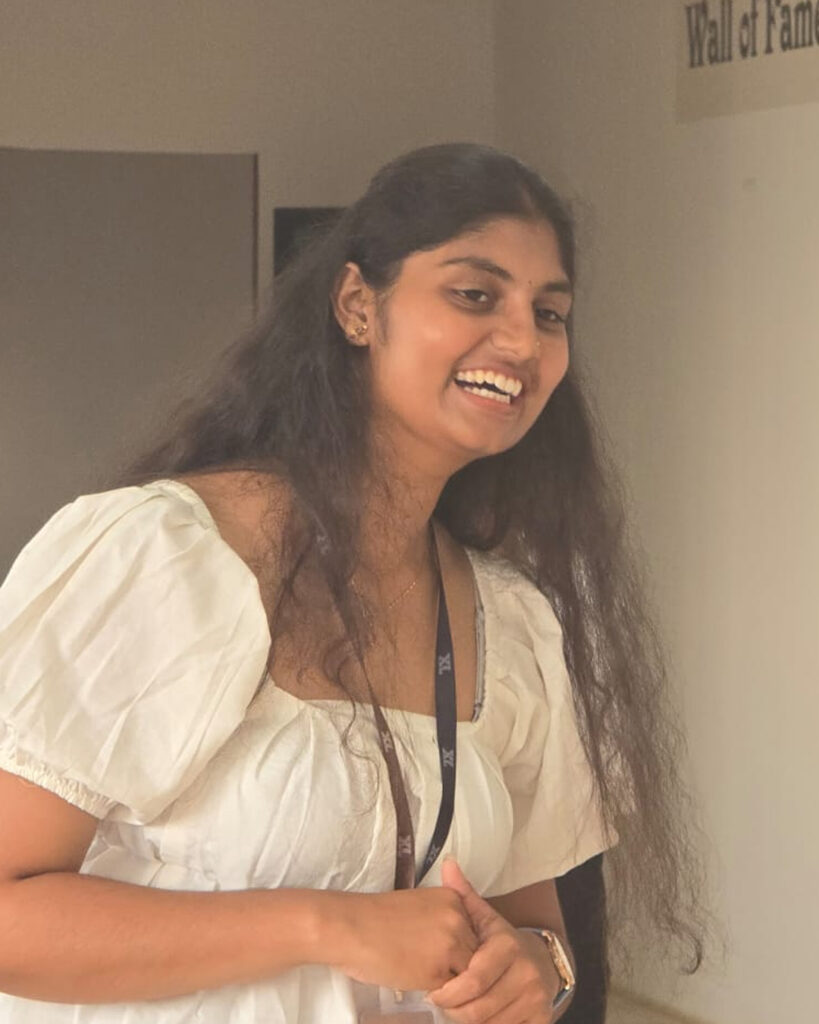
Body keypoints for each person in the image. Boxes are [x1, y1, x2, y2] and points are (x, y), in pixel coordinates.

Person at [0, 143, 713, 1023]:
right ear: (355, 305)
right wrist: (326, 925)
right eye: (474, 294)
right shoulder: (167, 556)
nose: (522, 340)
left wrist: (538, 970)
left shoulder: (513, 623)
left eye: (550, 313)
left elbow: (538, 929)